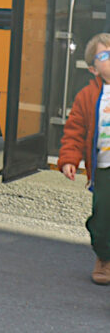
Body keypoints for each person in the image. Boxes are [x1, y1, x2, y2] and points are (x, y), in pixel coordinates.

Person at [59, 33, 110, 284]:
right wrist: (69, 159)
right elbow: (74, 131)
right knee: (102, 218)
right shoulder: (87, 96)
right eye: (105, 55)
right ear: (93, 69)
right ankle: (104, 256)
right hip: (104, 169)